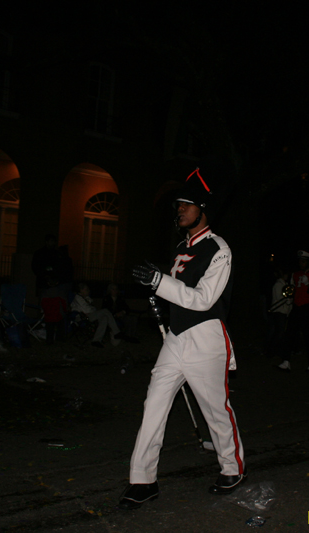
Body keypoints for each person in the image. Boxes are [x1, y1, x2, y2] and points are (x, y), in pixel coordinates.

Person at [120, 160, 244, 509]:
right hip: (175, 339)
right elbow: (175, 288)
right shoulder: (180, 247)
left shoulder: (219, 249)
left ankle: (233, 469)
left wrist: (160, 282)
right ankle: (143, 480)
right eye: (178, 206)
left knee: (216, 411)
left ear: (203, 210)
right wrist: (155, 286)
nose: (180, 211)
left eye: (186, 206)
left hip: (206, 339)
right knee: (153, 405)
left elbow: (204, 299)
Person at [278, 250, 309, 371]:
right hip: (296, 307)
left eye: (303, 261)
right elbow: (292, 289)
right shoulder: (295, 274)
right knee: (289, 334)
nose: (301, 263)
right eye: (300, 261)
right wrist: (290, 298)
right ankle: (286, 360)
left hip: (308, 307)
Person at [71, 282, 129, 348]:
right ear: (81, 290)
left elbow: (92, 308)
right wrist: (91, 309)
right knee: (105, 311)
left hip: (89, 315)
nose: (89, 291)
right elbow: (88, 310)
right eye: (86, 289)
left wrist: (91, 309)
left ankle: (96, 340)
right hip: (82, 317)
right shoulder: (78, 298)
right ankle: (116, 332)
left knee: (104, 318)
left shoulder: (86, 298)